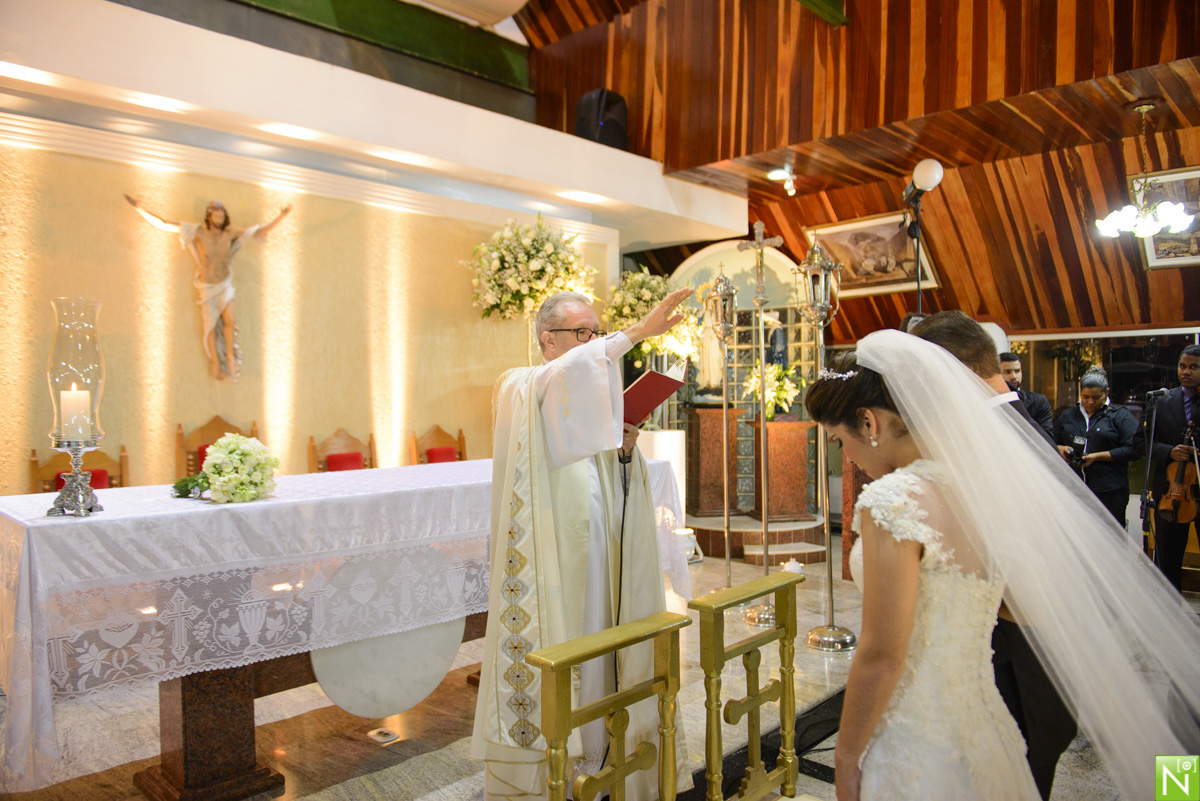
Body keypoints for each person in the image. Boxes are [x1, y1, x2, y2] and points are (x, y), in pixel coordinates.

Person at [805, 329, 1200, 801]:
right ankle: (1180, 788)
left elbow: (883, 654)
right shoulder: (977, 481)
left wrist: (846, 758)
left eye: (837, 440)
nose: (845, 456)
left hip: (928, 722)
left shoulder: (893, 499)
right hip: (985, 717)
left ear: (869, 422)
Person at [471, 288, 693, 801]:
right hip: (555, 569)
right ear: (548, 340)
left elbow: (613, 486)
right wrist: (635, 333)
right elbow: (563, 379)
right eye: (583, 333)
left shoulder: (591, 408)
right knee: (570, 649)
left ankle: (604, 760)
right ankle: (557, 769)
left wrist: (624, 450)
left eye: (597, 332)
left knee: (603, 651)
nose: (595, 343)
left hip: (602, 562)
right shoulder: (523, 387)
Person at [909, 311, 1071, 799]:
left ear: (952, 371)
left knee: (1024, 752)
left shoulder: (999, 430)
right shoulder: (1008, 418)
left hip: (1027, 628)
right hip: (1014, 624)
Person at [125, 195, 292, 380]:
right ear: (210, 216)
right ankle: (216, 363)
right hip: (207, 286)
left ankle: (229, 357)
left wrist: (281, 217)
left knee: (230, 321)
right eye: (216, 216)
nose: (219, 220)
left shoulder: (230, 234)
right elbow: (164, 224)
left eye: (222, 217)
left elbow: (258, 231)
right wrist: (140, 208)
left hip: (225, 284)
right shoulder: (198, 232)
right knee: (210, 326)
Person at [1052, 366, 1141, 527]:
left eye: (1096, 397)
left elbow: (1134, 449)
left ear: (1106, 392)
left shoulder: (1120, 416)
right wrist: (1062, 449)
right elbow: (1051, 442)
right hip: (1073, 488)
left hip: (1110, 491)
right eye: (1085, 396)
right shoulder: (1068, 415)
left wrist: (1097, 456)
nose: (1090, 402)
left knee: (1110, 537)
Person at [1147, 344, 1200, 592]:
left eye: (1193, 367)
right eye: (1182, 366)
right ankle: (1170, 622)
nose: (1186, 372)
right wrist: (1168, 451)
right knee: (1168, 563)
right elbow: (1141, 442)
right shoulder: (1162, 402)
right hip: (1173, 493)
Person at [999, 352, 1054, 439]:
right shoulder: (989, 401)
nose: (1013, 376)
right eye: (1007, 372)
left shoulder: (1038, 401)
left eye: (1017, 371)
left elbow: (1047, 437)